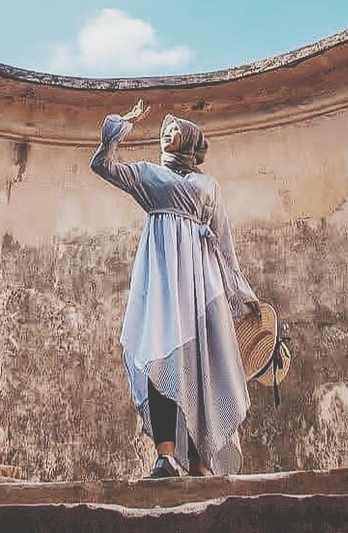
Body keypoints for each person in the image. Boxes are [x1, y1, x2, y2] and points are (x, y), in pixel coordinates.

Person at [90, 97, 261, 478]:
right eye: (164, 131)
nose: (166, 135)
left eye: (173, 131)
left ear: (189, 140)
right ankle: (165, 455)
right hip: (164, 281)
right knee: (159, 357)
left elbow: (224, 243)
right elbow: (102, 165)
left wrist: (241, 295)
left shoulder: (208, 185)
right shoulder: (148, 175)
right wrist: (121, 126)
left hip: (203, 282)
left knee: (203, 366)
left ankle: (201, 460)